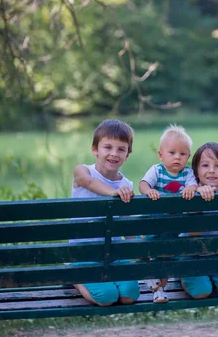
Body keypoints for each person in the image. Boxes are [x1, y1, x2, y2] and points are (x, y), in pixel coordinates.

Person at [71, 119, 140, 307]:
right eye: (107, 147)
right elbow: (88, 183)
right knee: (107, 297)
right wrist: (112, 194)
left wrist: (140, 251)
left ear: (127, 154)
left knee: (129, 295)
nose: (113, 154)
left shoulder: (126, 185)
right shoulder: (83, 171)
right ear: (95, 149)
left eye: (121, 149)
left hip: (115, 255)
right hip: (85, 255)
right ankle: (75, 279)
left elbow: (127, 225)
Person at [139, 124, 198, 303]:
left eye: (182, 154)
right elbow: (143, 184)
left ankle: (159, 290)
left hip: (174, 227)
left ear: (188, 156)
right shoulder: (156, 170)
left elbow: (193, 184)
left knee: (167, 254)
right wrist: (149, 191)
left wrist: (190, 188)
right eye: (172, 153)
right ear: (161, 155)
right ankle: (155, 283)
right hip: (154, 225)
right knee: (154, 252)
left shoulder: (188, 173)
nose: (177, 158)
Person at [181, 142, 218, 299]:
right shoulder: (189, 192)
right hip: (191, 255)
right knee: (201, 292)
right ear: (196, 171)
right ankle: (183, 277)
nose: (211, 171)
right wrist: (198, 201)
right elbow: (191, 235)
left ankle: (214, 276)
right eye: (205, 165)